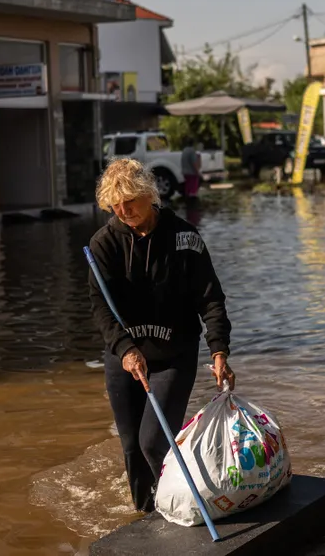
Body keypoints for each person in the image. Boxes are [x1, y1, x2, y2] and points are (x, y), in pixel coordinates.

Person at [87, 158, 233, 513]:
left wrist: (218, 351)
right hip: (124, 356)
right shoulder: (103, 244)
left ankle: (179, 506)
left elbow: (210, 297)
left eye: (130, 203)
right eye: (115, 206)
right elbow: (100, 309)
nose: (124, 211)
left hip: (173, 355)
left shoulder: (185, 238)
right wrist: (124, 349)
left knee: (154, 442)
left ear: (149, 195)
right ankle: (144, 516)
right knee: (132, 448)